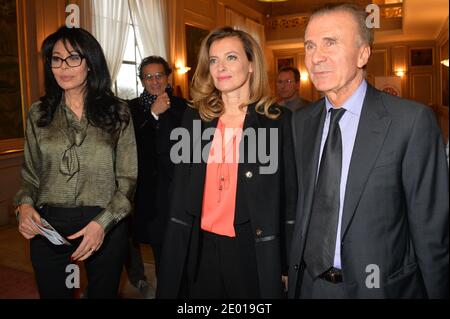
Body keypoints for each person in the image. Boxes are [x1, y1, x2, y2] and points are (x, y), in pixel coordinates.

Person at [288, 3, 449, 299]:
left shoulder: (410, 122)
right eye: (309, 45)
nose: (316, 57)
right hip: (310, 288)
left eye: (330, 43)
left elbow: (431, 231)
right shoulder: (301, 122)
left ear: (363, 54)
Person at [156, 26, 297, 299]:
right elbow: (180, 191)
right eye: (213, 60)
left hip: (251, 247)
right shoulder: (195, 118)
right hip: (200, 247)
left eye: (231, 57)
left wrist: (286, 261)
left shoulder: (277, 121)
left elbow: (289, 197)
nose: (221, 67)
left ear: (251, 64)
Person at [13, 27, 137, 299]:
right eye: (56, 59)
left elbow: (127, 180)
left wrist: (102, 224)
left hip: (104, 223)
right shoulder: (39, 113)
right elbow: (30, 175)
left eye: (72, 58)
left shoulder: (118, 113)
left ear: (90, 63)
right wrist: (23, 206)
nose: (62, 67)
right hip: (48, 226)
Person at [125, 56, 186, 296]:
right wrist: (152, 114)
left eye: (159, 75)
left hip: (179, 190)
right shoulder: (131, 109)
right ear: (141, 80)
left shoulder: (183, 106)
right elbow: (130, 146)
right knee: (161, 250)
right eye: (148, 77)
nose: (154, 81)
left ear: (167, 78)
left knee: (182, 251)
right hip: (150, 195)